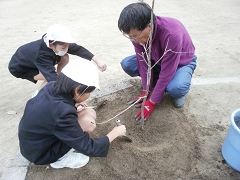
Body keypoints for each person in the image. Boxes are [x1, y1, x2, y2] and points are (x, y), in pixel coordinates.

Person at [18, 59, 126, 169]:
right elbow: (89, 147)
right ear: (77, 90)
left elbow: (51, 111)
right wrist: (115, 133)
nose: (89, 96)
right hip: (41, 153)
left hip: (32, 143)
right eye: (89, 92)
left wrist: (74, 106)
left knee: (88, 112)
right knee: (89, 123)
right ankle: (60, 160)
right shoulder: (63, 113)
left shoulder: (51, 86)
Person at [118, 2, 197, 121]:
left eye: (134, 36)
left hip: (180, 63)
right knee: (127, 64)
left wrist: (152, 101)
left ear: (149, 26)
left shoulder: (172, 34)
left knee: (177, 88)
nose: (132, 40)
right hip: (156, 60)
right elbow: (143, 62)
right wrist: (146, 90)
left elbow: (168, 70)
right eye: (129, 36)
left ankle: (174, 91)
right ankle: (157, 85)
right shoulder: (138, 37)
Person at [8, 24, 107, 96]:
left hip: (33, 60)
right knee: (50, 78)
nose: (66, 49)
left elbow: (78, 49)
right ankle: (37, 96)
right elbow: (51, 77)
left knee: (64, 57)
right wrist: (69, 92)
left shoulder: (60, 43)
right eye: (63, 48)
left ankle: (59, 78)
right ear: (51, 44)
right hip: (21, 68)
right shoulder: (42, 55)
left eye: (67, 46)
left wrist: (97, 60)